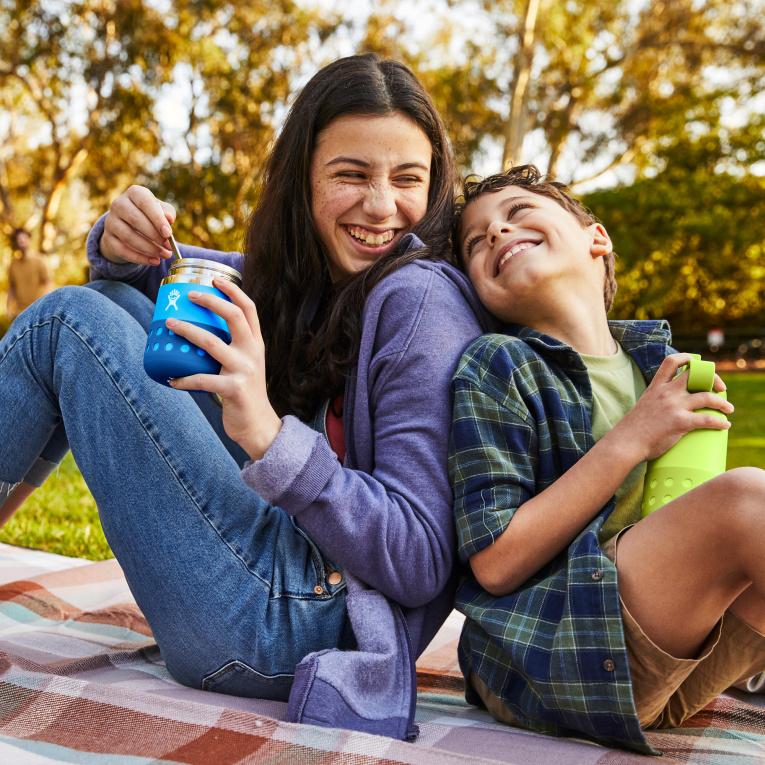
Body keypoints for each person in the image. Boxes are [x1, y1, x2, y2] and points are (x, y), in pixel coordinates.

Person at [0, 54, 491, 738]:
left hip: (295, 626)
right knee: (101, 300)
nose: (381, 205)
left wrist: (266, 433)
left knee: (65, 320)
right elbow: (159, 288)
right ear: (302, 178)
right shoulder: (307, 277)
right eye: (351, 174)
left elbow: (420, 558)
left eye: (407, 179)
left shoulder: (420, 301)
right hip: (276, 594)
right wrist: (120, 241)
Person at [447, 164, 765, 753]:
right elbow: (493, 562)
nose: (494, 232)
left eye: (517, 213)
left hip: (665, 673)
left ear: (597, 238)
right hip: (551, 648)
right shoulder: (498, 366)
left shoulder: (660, 369)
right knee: (747, 501)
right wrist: (632, 438)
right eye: (474, 241)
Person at [6, 228, 52, 321]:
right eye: (18, 239)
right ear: (16, 243)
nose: (21, 240)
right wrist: (8, 308)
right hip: (20, 313)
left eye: (23, 238)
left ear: (29, 240)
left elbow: (48, 283)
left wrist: (45, 305)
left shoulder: (39, 260)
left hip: (38, 311)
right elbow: (12, 288)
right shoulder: (13, 263)